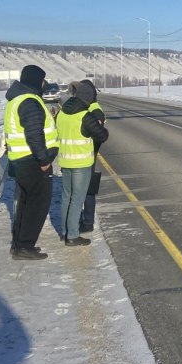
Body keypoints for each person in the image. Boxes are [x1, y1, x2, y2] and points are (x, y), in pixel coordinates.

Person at [3, 64, 58, 260]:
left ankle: (19, 244)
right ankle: (26, 246)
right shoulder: (30, 101)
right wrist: (44, 161)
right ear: (36, 80)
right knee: (37, 205)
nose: (44, 84)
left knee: (26, 203)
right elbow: (34, 134)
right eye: (42, 81)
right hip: (33, 162)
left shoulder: (17, 99)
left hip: (21, 161)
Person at [55, 80, 109, 246]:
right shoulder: (85, 116)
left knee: (66, 197)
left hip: (65, 161)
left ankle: (64, 231)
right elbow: (102, 135)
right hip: (81, 162)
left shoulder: (62, 113)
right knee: (77, 199)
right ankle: (72, 235)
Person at [79, 94, 106, 234]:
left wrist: (93, 150)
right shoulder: (87, 108)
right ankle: (82, 221)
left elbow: (100, 136)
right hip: (82, 156)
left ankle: (87, 222)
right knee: (80, 191)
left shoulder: (94, 111)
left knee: (87, 191)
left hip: (87, 156)